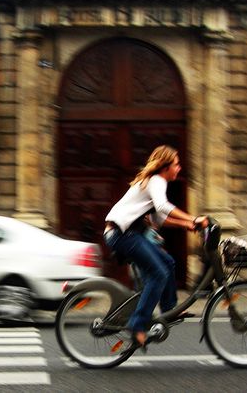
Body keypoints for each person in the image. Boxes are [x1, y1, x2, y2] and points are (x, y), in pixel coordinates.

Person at [103, 145, 208, 347]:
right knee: (158, 273)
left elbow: (159, 219)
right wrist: (194, 218)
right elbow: (163, 207)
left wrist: (187, 224)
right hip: (121, 234)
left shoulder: (153, 183)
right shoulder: (156, 180)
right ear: (165, 166)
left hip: (128, 233)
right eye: (176, 164)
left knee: (167, 262)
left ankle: (169, 310)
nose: (179, 168)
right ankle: (138, 325)